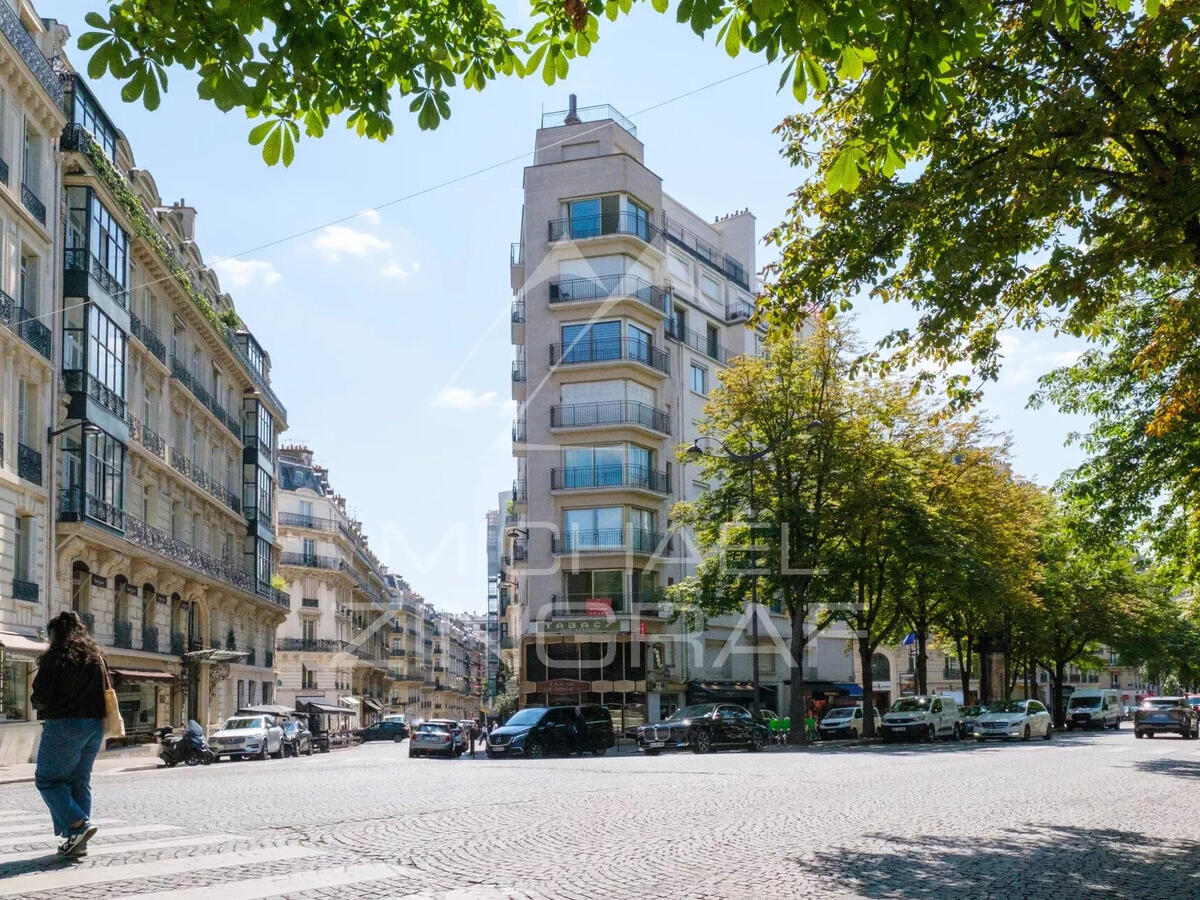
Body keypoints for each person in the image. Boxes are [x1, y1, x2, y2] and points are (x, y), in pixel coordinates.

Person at [31, 611, 110, 858]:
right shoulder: (95, 657)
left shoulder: (56, 657)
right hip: (94, 727)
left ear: (56, 634)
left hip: (64, 725)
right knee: (79, 781)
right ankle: (78, 844)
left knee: (48, 780)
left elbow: (41, 695)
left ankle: (78, 825)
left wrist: (37, 701)